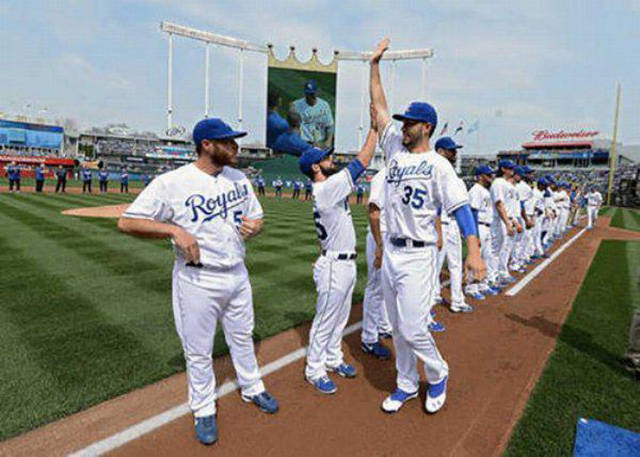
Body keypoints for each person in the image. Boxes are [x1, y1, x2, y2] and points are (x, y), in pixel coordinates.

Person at [117, 117, 279, 446]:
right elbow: (127, 221)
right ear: (206, 145)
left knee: (243, 336)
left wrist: (256, 226)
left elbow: (256, 215)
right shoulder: (172, 182)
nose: (235, 146)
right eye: (227, 141)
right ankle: (204, 407)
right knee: (198, 350)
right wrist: (173, 230)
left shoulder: (239, 178)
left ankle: (252, 387)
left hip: (237, 273)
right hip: (197, 278)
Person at [370, 38, 486, 414]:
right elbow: (379, 109)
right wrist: (374, 66)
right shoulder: (394, 150)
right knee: (397, 328)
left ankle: (437, 373)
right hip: (392, 251)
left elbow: (460, 208)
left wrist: (473, 251)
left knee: (413, 328)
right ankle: (405, 383)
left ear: (427, 127)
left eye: (409, 122)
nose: (402, 126)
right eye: (403, 122)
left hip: (419, 255)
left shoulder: (440, 166)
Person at [299, 104, 378, 395]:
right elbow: (362, 161)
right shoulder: (327, 188)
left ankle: (333, 358)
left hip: (341, 262)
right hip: (334, 265)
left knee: (340, 317)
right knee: (325, 320)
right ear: (315, 167)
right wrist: (375, 128)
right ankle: (314, 369)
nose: (330, 159)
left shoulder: (327, 189)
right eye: (325, 158)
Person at [432, 137, 475, 311]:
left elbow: (463, 208)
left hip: (453, 224)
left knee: (456, 264)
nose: (455, 154)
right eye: (451, 151)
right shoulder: (431, 172)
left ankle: (457, 301)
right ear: (440, 152)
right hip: (438, 224)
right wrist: (438, 232)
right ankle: (432, 297)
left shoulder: (457, 179)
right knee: (434, 266)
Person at [360, 166, 393, 360]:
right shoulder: (383, 176)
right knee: (375, 287)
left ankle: (383, 325)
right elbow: (374, 212)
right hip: (381, 234)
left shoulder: (402, 170)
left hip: (393, 235)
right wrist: (379, 245)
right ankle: (369, 338)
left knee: (386, 286)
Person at [466, 165, 501, 298]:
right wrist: (475, 234)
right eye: (488, 175)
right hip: (479, 226)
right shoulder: (476, 190)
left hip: (487, 226)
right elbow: (473, 212)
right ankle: (471, 287)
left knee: (487, 257)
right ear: (480, 177)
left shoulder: (485, 190)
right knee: (476, 256)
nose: (491, 177)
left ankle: (482, 284)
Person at [490, 160, 519, 285]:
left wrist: (513, 221)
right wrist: (507, 222)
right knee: (497, 250)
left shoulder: (507, 184)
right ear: (503, 169)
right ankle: (493, 277)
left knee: (506, 248)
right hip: (500, 220)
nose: (512, 170)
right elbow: (499, 204)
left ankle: (501, 273)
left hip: (508, 219)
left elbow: (509, 205)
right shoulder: (498, 183)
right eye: (509, 168)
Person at [290, 79, 334, 149]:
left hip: (320, 143)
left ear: (317, 92)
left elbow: (330, 125)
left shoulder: (324, 105)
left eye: (312, 94)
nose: (310, 96)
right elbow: (292, 127)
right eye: (308, 94)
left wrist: (328, 141)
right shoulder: (296, 106)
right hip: (303, 143)